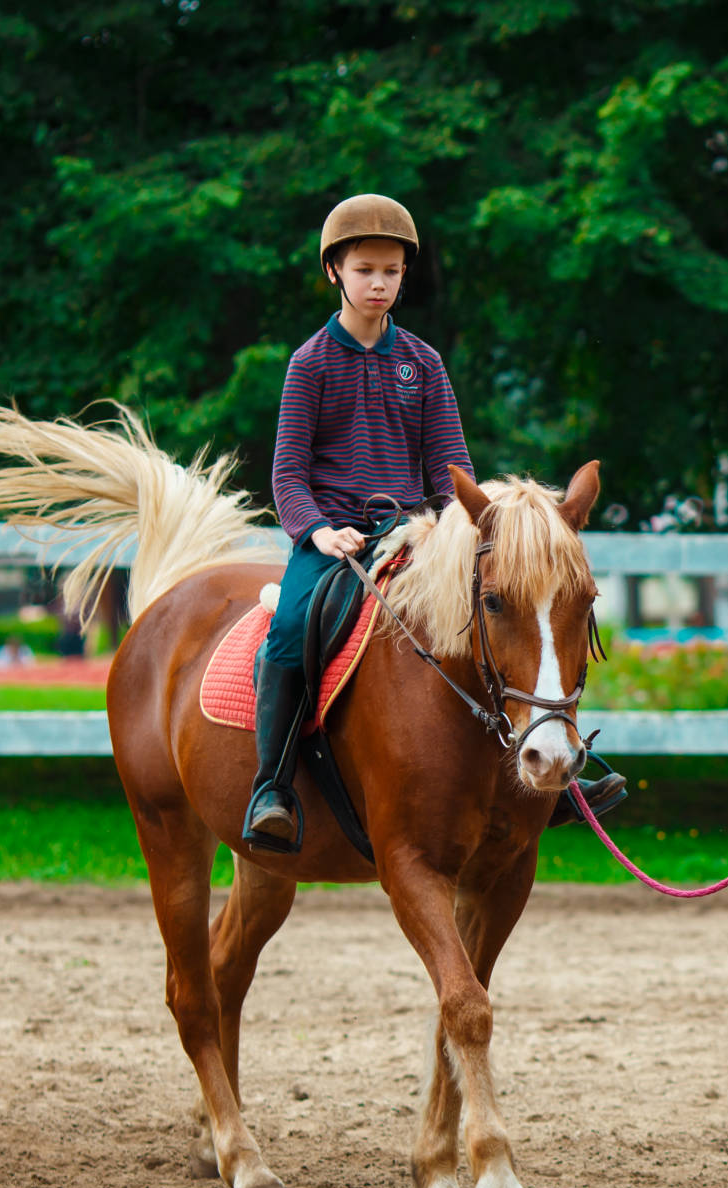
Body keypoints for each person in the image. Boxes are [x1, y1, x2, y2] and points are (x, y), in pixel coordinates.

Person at [246, 194, 622, 846]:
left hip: (417, 531)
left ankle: (554, 766)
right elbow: (287, 476)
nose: (379, 283)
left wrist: (457, 534)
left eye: (391, 271)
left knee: (499, 617)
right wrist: (317, 530)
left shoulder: (423, 363)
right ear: (335, 270)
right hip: (335, 538)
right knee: (290, 631)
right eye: (365, 269)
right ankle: (270, 786)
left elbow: (450, 466)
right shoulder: (310, 364)